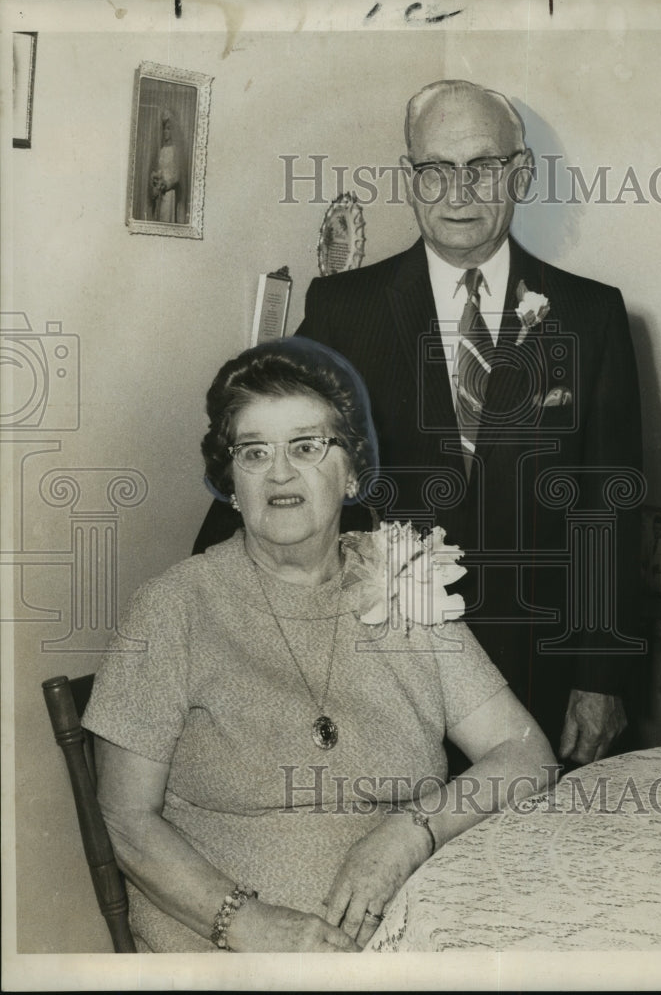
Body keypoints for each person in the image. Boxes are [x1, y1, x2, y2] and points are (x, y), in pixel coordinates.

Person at [194, 79, 646, 768]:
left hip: (537, 672)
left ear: (518, 174)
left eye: (481, 167)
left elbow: (608, 512)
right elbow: (272, 457)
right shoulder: (345, 307)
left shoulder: (590, 317)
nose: (456, 193)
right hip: (377, 667)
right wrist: (207, 597)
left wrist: (601, 677)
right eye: (434, 170)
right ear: (410, 178)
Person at [83, 336, 556, 953]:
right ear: (230, 479)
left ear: (354, 469)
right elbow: (126, 819)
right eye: (254, 452)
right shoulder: (174, 608)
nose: (279, 472)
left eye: (307, 446)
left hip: (408, 932)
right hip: (232, 952)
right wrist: (250, 924)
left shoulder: (404, 581)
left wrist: (408, 834)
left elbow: (526, 755)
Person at [149, 109, 184, 223]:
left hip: (169, 193)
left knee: (166, 218)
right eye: (164, 128)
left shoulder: (174, 151)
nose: (165, 131)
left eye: (168, 128)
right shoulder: (162, 150)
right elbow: (159, 170)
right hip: (159, 193)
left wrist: (165, 184)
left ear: (173, 130)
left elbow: (177, 176)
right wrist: (155, 183)